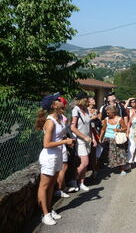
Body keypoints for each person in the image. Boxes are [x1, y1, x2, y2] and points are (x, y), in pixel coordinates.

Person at [35, 93, 74, 225]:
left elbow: (57, 138)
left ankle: (50, 210)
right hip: (49, 157)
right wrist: (65, 141)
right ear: (53, 105)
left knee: (52, 184)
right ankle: (44, 214)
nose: (60, 100)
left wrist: (65, 140)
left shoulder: (58, 119)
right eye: (57, 100)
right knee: (44, 185)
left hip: (56, 155)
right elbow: (46, 144)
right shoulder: (50, 122)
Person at [70, 92, 96, 191]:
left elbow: (89, 126)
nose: (88, 101)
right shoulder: (75, 111)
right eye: (86, 99)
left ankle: (81, 183)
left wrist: (92, 138)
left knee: (85, 163)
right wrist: (84, 137)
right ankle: (73, 180)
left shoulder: (86, 110)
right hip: (80, 140)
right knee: (85, 162)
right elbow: (73, 127)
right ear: (82, 100)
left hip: (88, 139)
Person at [100, 105, 128, 175]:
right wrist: (100, 138)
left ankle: (122, 169)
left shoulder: (119, 119)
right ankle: (110, 167)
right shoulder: (106, 119)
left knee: (120, 153)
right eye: (107, 113)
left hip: (116, 139)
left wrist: (118, 129)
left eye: (108, 113)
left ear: (113, 112)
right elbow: (103, 129)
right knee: (109, 154)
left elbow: (125, 128)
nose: (107, 114)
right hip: (107, 138)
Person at [54, 96, 70, 198]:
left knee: (62, 167)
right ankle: (59, 189)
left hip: (61, 144)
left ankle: (62, 187)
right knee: (63, 167)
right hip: (61, 144)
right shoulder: (61, 117)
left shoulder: (60, 116)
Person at [88, 97, 101, 179]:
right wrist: (92, 118)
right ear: (88, 102)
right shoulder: (86, 110)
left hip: (96, 131)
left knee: (95, 151)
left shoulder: (96, 110)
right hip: (89, 131)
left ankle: (94, 170)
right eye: (92, 100)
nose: (94, 101)